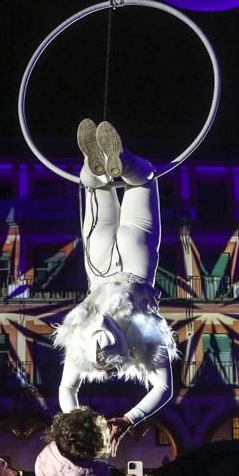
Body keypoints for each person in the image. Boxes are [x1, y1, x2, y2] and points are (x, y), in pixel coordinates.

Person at [54, 120, 179, 446]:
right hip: (98, 267)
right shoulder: (81, 343)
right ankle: (94, 167)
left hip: (136, 265)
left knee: (143, 180)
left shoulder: (142, 340)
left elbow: (164, 388)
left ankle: (122, 163)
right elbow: (66, 389)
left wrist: (128, 419)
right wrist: (77, 422)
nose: (109, 375)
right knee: (97, 190)